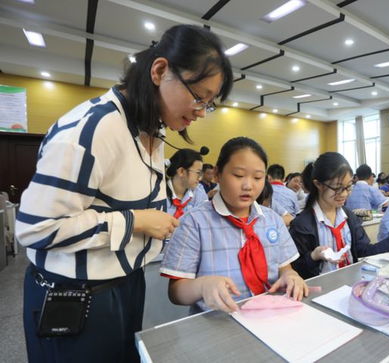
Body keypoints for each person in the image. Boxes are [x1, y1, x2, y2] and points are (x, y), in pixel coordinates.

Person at [16, 24, 233, 363]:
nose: (201, 112)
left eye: (209, 103)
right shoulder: (93, 129)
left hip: (126, 285)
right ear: (160, 71)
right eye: (198, 96)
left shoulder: (151, 129)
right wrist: (136, 222)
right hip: (76, 297)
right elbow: (35, 227)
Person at [161, 137, 308, 313]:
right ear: (217, 174)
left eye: (258, 177)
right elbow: (176, 292)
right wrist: (201, 286)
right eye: (238, 175)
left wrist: (290, 276)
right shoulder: (193, 223)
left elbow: (285, 267)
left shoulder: (272, 219)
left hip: (270, 315)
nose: (248, 185)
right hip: (219, 322)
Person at [288, 153, 389, 279]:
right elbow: (295, 270)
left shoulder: (348, 217)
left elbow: (365, 251)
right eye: (338, 188)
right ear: (318, 185)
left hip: (349, 283)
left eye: (348, 187)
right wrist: (313, 256)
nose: (345, 194)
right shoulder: (302, 224)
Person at [165, 148, 207, 219]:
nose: (200, 178)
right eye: (198, 173)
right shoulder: (159, 192)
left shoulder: (198, 191)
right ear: (181, 171)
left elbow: (204, 219)